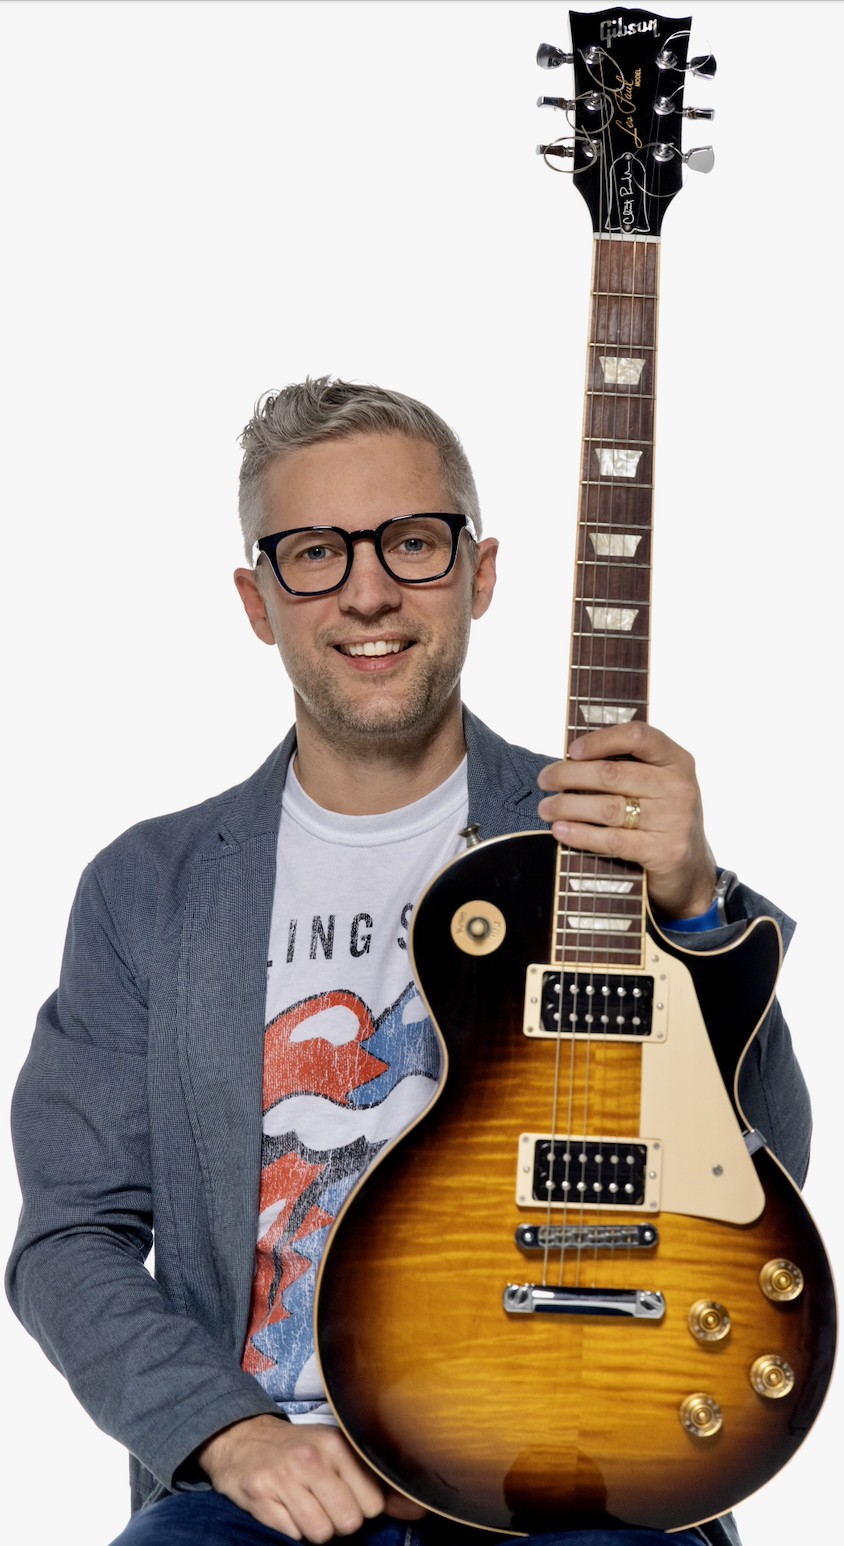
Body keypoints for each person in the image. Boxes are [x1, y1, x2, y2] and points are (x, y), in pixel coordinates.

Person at [7, 378, 812, 1546]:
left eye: (413, 543)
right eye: (315, 553)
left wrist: (694, 905)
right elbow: (69, 1235)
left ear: (480, 573)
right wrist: (229, 1434)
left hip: (582, 1467)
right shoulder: (152, 890)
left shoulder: (609, 844)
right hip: (269, 1485)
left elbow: (768, 1163)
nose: (369, 589)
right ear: (256, 598)